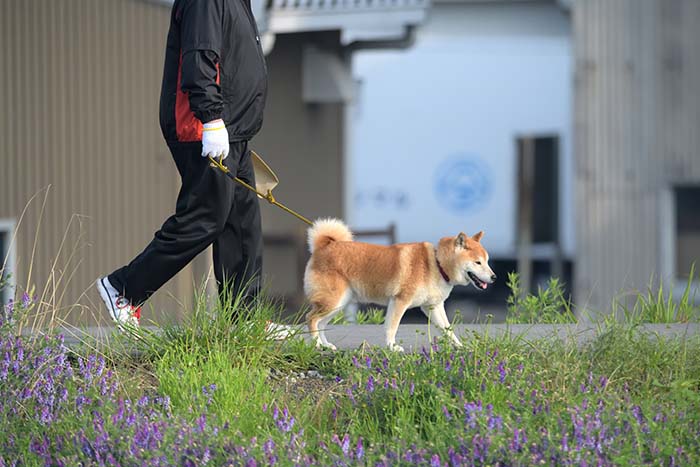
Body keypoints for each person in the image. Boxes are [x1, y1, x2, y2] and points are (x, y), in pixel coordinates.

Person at [96, 0, 272, 329]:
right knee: (206, 217)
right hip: (202, 127)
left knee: (241, 222)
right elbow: (200, 55)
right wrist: (211, 118)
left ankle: (245, 320)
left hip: (233, 130)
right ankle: (124, 289)